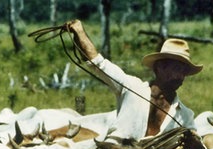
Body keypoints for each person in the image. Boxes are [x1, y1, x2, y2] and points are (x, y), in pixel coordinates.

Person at [64, 19, 203, 141]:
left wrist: (195, 143)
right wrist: (79, 32)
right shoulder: (131, 87)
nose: (180, 76)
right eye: (176, 69)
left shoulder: (185, 116)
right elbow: (99, 63)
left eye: (184, 71)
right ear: (159, 67)